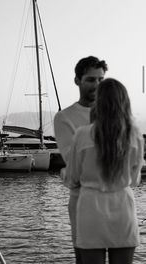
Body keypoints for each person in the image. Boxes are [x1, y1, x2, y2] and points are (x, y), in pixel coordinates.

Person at [66, 78, 144, 264]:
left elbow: (73, 178)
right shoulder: (135, 136)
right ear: (125, 102)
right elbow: (134, 180)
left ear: (98, 102)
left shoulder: (83, 135)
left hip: (90, 209)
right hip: (122, 208)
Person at [54, 56, 108, 263]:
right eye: (91, 79)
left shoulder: (115, 114)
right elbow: (74, 161)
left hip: (117, 203)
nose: (97, 85)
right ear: (77, 80)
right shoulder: (64, 117)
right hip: (83, 202)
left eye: (101, 80)